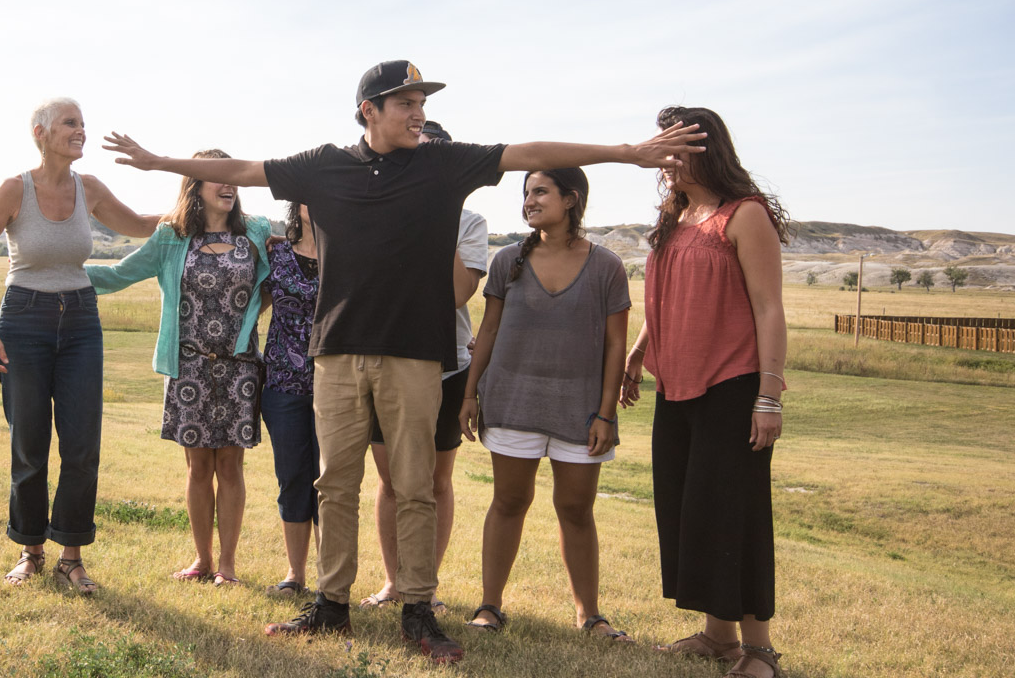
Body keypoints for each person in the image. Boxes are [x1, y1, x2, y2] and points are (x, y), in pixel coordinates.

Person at [101, 60, 706, 664]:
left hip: (417, 354)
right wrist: (163, 164)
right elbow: (242, 169)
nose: (419, 114)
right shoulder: (324, 166)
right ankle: (331, 603)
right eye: (406, 103)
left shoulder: (443, 164)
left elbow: (529, 151)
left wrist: (628, 152)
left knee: (414, 484)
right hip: (335, 352)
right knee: (334, 483)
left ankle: (418, 609)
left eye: (421, 102)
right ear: (369, 110)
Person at [0, 98, 160, 594]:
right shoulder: (13, 190)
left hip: (82, 321)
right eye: (71, 123)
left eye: (83, 124)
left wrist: (189, 206)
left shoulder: (88, 188)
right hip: (23, 321)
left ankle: (72, 555)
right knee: (29, 441)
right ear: (40, 132)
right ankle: (30, 550)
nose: (81, 131)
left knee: (82, 442)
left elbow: (137, 224)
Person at [619, 106, 788, 678]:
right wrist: (640, 351)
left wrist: (769, 395)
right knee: (690, 512)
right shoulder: (678, 216)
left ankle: (759, 649)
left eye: (673, 149)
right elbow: (668, 291)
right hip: (677, 385)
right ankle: (718, 637)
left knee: (735, 513)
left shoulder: (745, 216)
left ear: (701, 149)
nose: (663, 161)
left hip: (733, 386)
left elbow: (768, 307)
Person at [459, 167, 633, 641]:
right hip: (513, 400)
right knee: (509, 501)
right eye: (526, 193)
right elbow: (488, 331)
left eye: (541, 191)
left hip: (581, 410)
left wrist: (606, 413)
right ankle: (489, 607)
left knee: (576, 509)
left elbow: (616, 346)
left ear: (571, 199)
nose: (529, 200)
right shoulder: (507, 260)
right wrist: (470, 393)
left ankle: (589, 615)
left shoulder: (607, 266)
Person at [85, 149, 271, 585]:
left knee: (231, 468)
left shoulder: (258, 232)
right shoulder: (172, 237)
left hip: (240, 368)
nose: (229, 186)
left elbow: (277, 281)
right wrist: (55, 272)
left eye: (233, 180)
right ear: (195, 184)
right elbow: (118, 275)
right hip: (188, 368)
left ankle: (227, 566)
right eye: (217, 179)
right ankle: (202, 561)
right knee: (198, 469)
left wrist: (251, 322)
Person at [361, 121, 487, 615]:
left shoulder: (469, 220)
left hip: (445, 364)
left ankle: (425, 587)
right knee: (391, 481)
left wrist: (438, 212)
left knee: (434, 481)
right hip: (382, 361)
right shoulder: (378, 209)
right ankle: (395, 583)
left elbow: (458, 292)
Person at [258, 201, 320, 597]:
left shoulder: (351, 253)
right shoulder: (274, 253)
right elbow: (249, 305)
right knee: (293, 477)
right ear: (297, 204)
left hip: (340, 386)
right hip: (282, 383)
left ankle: (331, 578)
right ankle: (295, 575)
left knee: (334, 484)